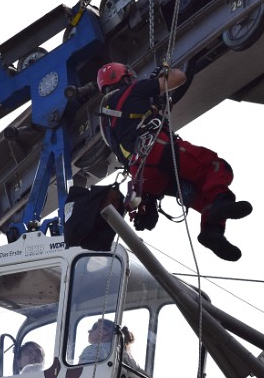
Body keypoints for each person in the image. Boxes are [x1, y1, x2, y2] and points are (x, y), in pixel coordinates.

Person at [97, 61, 252, 261]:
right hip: (156, 150)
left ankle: (212, 232)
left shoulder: (106, 121)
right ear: (125, 77)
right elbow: (179, 78)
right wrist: (167, 72)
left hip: (143, 175)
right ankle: (221, 204)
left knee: (198, 191)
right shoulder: (135, 90)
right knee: (214, 165)